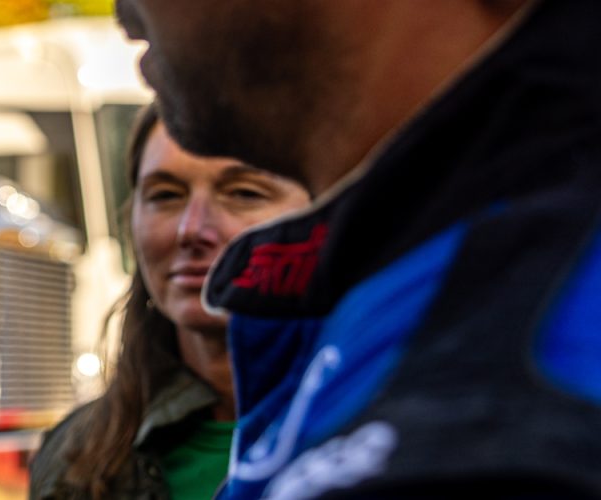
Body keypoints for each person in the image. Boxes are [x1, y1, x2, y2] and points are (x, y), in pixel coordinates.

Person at [116, 0, 601, 497]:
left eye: (244, 192)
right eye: (164, 195)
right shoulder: (406, 277)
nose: (121, 8)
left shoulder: (527, 353)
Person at [30, 106, 309, 500]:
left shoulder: (374, 423)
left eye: (243, 193)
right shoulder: (74, 454)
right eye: (165, 195)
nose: (190, 229)